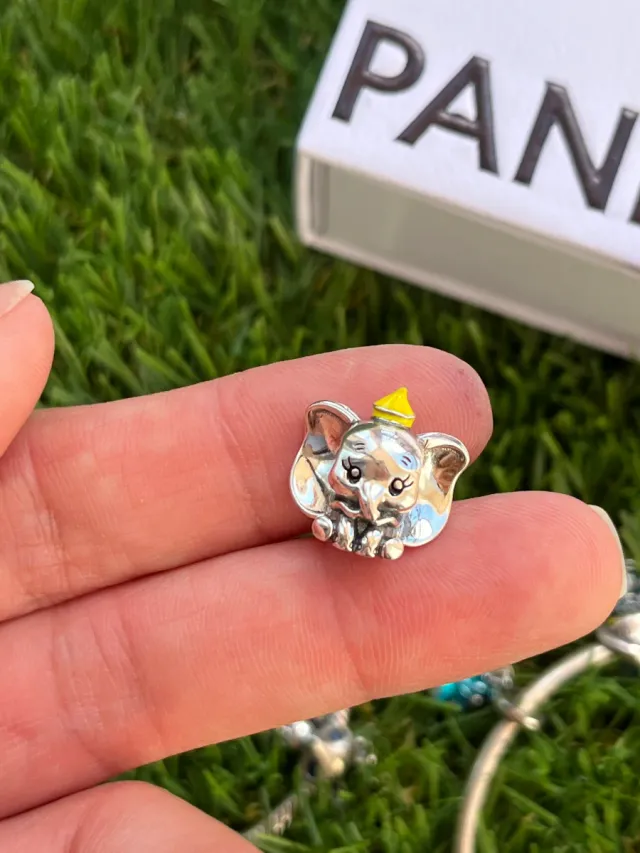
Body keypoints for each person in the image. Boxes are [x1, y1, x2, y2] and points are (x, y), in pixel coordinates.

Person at [0, 279, 625, 851]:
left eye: (394, 488)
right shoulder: (330, 471)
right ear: (327, 444)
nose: (371, 497)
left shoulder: (408, 493)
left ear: (435, 476)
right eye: (354, 474)